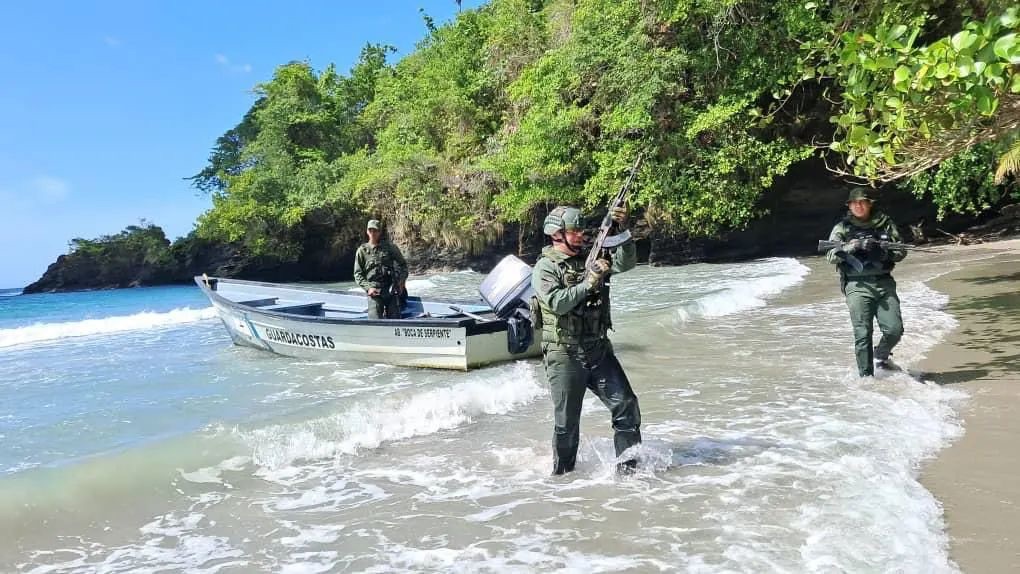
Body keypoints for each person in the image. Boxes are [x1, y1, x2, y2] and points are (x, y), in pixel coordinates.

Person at [531, 204, 641, 475]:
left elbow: (627, 263)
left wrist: (623, 231)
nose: (581, 235)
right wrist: (588, 283)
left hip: (598, 349)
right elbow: (556, 302)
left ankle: (630, 473)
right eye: (574, 231)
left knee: (626, 406)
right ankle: (563, 479)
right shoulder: (545, 268)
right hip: (564, 353)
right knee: (566, 424)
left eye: (581, 229)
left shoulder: (591, 257)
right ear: (557, 235)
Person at [825, 189, 907, 377]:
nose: (859, 206)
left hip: (883, 282)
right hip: (857, 285)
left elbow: (901, 251)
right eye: (854, 203)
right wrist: (852, 246)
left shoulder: (884, 223)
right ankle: (866, 378)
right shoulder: (842, 228)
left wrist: (884, 250)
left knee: (895, 329)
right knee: (862, 334)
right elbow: (830, 256)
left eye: (862, 202)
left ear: (870, 203)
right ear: (849, 206)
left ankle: (882, 354)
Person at [353, 219, 408, 319]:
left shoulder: (390, 248)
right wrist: (368, 288)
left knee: (396, 320)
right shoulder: (362, 251)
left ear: (379, 232)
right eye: (370, 230)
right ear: (367, 232)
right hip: (374, 291)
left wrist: (401, 282)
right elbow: (358, 274)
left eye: (375, 230)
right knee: (374, 321)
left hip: (391, 289)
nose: (373, 233)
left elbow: (403, 265)